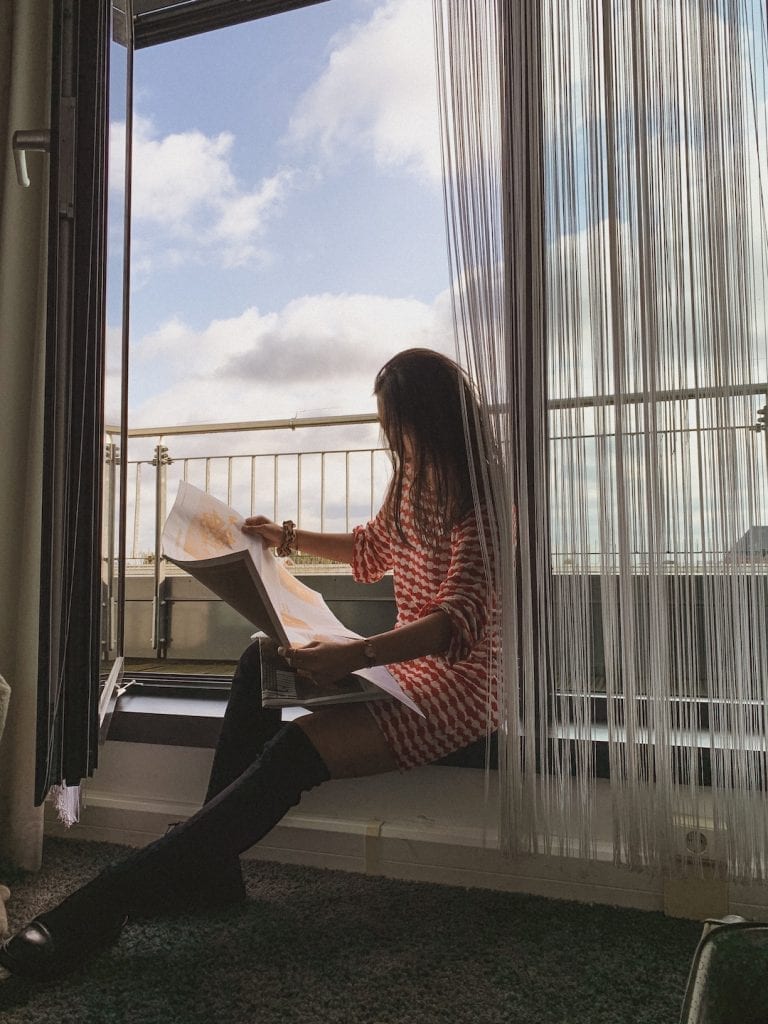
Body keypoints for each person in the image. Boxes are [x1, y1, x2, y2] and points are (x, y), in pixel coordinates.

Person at [0, 348, 499, 980]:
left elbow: (458, 622)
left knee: (293, 752)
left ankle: (91, 912)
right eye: (389, 429)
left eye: (400, 427)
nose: (394, 442)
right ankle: (214, 873)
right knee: (261, 658)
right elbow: (373, 547)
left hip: (462, 683)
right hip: (404, 659)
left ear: (435, 422)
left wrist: (358, 653)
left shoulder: (484, 496)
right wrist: (284, 539)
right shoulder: (414, 476)